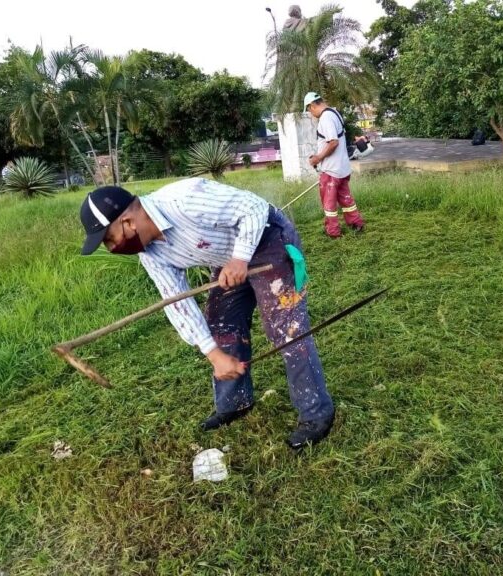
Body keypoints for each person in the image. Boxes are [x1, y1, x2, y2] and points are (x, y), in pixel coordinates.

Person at [78, 178, 335, 449]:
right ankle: (234, 403)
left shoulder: (184, 200)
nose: (111, 247)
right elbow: (176, 301)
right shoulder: (151, 254)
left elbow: (254, 207)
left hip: (268, 240)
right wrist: (214, 355)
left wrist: (240, 258)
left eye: (108, 238)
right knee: (221, 326)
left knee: (286, 331)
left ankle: (316, 413)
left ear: (126, 222)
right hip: (226, 261)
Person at [304, 92, 366, 238]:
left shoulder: (325, 118)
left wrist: (318, 158)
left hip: (331, 171)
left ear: (312, 106)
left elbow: (333, 142)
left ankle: (333, 232)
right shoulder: (334, 113)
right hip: (342, 168)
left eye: (308, 110)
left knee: (329, 204)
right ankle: (356, 223)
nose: (310, 113)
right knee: (346, 199)